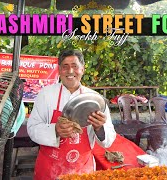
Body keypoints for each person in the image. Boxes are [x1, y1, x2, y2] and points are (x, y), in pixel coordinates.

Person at [27, 49, 116, 179]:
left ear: (83, 70)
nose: (70, 71)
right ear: (59, 70)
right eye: (65, 67)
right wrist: (55, 130)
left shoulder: (95, 99)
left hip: (82, 170)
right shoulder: (46, 94)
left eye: (75, 66)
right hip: (50, 168)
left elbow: (108, 140)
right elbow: (32, 128)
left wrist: (99, 128)